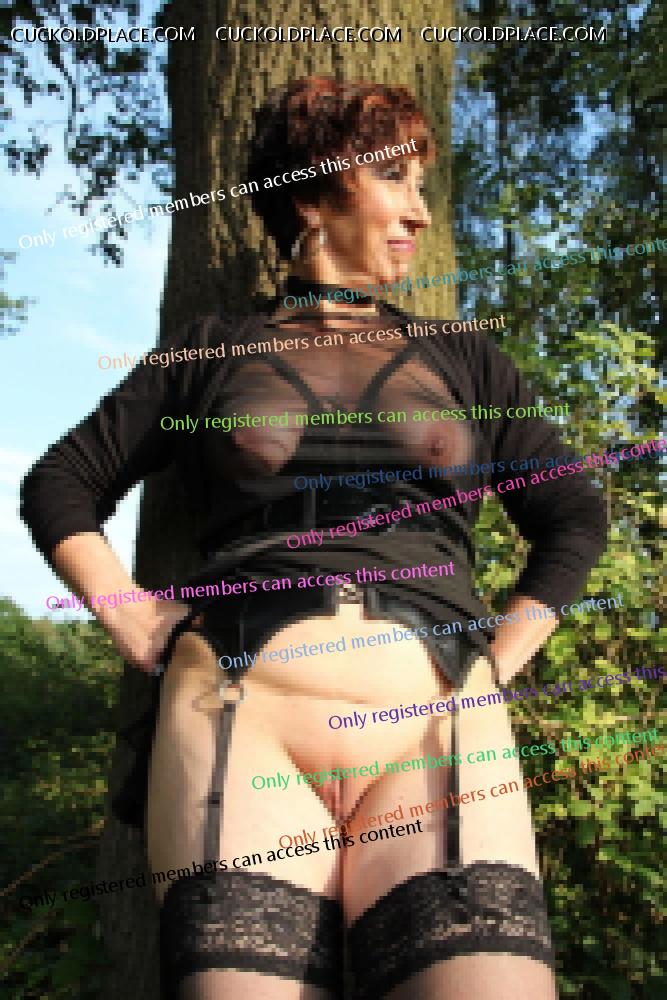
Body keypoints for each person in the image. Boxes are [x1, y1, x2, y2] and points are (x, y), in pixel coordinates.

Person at [21, 77, 607, 999]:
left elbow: (571, 513)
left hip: (435, 724)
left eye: (422, 186)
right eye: (394, 179)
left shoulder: (466, 357)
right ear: (313, 195)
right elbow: (61, 483)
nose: (419, 212)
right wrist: (130, 615)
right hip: (238, 718)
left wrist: (498, 656)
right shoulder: (207, 351)